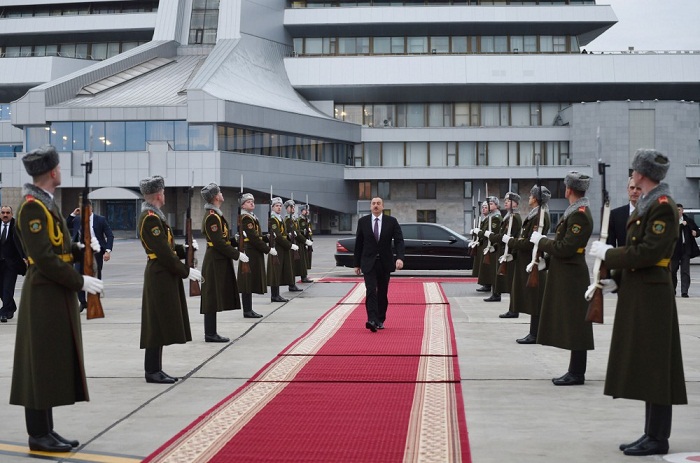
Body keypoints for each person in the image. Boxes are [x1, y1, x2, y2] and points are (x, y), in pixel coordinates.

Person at [589, 149, 687, 456]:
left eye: (633, 172)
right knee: (648, 364)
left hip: (653, 294)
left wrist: (608, 254)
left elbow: (646, 252)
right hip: (640, 290)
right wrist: (616, 279)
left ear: (642, 174)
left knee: (657, 366)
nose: (631, 176)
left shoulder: (662, 206)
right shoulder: (646, 204)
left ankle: (658, 437)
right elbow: (637, 252)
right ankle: (650, 433)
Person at [10, 145, 103, 452]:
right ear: (51, 172)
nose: (61, 172)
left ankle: (46, 430)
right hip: (43, 292)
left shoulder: (45, 204)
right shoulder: (33, 207)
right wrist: (80, 280)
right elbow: (44, 258)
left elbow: (59, 247)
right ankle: (38, 434)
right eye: (59, 168)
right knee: (39, 363)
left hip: (53, 291)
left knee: (47, 362)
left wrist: (83, 250)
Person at [531, 172, 593, 386]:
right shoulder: (574, 212)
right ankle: (574, 370)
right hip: (567, 273)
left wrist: (542, 241)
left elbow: (566, 247)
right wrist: (545, 261)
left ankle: (577, 372)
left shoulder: (580, 215)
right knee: (574, 324)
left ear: (569, 189)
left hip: (573, 276)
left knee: (577, 325)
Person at [138, 175, 201, 384]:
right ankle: (151, 370)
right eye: (163, 192)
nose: (164, 195)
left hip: (162, 272)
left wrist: (186, 250)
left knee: (160, 321)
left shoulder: (155, 216)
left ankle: (156, 368)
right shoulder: (150, 218)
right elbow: (163, 253)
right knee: (155, 323)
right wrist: (185, 271)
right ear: (157, 194)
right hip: (159, 273)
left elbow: (169, 248)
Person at [502, 186, 551, 344]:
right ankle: (534, 332)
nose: (528, 197)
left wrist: (510, 242)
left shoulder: (540, 216)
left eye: (531, 195)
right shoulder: (536, 214)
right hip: (527, 259)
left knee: (535, 299)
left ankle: (535, 333)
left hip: (533, 260)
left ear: (536, 198)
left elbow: (530, 242)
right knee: (532, 298)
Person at [200, 183, 247, 343]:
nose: (221, 194)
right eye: (219, 192)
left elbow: (223, 238)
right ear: (215, 197)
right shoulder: (212, 216)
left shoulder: (217, 215)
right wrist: (237, 254)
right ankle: (210, 333)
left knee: (214, 295)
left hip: (219, 259)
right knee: (211, 296)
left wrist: (236, 241)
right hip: (214, 260)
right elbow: (218, 242)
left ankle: (212, 332)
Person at [353, 197, 405, 332]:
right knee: (370, 291)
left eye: (378, 204)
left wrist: (399, 258)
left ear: (383, 206)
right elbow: (359, 243)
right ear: (370, 206)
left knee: (382, 292)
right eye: (373, 203)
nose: (376, 206)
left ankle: (380, 319)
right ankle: (371, 319)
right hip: (368, 262)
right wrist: (356, 264)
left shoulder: (391, 222)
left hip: (384, 262)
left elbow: (399, 240)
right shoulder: (363, 222)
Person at [67, 200, 114, 311]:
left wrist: (107, 251)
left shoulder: (100, 220)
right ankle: (83, 302)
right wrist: (73, 214)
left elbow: (110, 235)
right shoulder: (77, 219)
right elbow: (66, 225)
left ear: (91, 208)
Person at [239, 193, 273, 318]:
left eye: (252, 201)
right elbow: (252, 237)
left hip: (254, 250)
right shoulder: (246, 218)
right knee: (247, 281)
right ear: (243, 205)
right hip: (250, 251)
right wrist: (267, 249)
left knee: (251, 280)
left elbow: (256, 235)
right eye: (248, 201)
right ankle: (247, 310)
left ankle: (249, 309)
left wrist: (265, 237)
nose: (252, 203)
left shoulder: (252, 217)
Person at [490, 192, 522, 310]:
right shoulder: (508, 216)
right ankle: (510, 307)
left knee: (510, 283)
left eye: (508, 201)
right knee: (505, 281)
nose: (506, 202)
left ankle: (513, 309)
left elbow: (510, 236)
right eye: (505, 200)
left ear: (515, 204)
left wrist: (491, 236)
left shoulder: (515, 218)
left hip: (509, 252)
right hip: (504, 250)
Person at [0, 206, 27, 323]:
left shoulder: (18, 227)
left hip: (12, 264)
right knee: (1, 289)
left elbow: (24, 243)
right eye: (3, 212)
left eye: (8, 213)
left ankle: (4, 313)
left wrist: (26, 257)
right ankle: (11, 306)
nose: (5, 215)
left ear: (11, 214)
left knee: (7, 288)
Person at [267, 197, 294, 303]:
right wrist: (289, 245)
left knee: (279, 271)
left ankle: (277, 294)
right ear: (272, 207)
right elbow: (277, 236)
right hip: (277, 247)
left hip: (282, 247)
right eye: (276, 206)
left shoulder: (279, 218)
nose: (279, 207)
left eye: (280, 206)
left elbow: (284, 233)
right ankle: (274, 295)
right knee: (275, 271)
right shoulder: (273, 219)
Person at [671, 203, 700, 297]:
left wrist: (696, 233)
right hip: (674, 250)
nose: (677, 212)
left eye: (679, 210)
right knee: (672, 271)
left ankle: (684, 291)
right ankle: (672, 290)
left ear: (682, 211)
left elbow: (697, 231)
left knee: (685, 271)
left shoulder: (688, 221)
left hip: (685, 249)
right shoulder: (671, 222)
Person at [474, 196, 502, 293]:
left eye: (491, 204)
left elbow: (491, 232)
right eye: (488, 204)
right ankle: (487, 284)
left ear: (496, 205)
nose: (488, 206)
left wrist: (480, 233)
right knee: (486, 267)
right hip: (486, 243)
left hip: (492, 244)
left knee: (490, 267)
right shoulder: (490, 216)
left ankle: (490, 285)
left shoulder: (496, 218)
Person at [606, 177, 642, 247]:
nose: (634, 191)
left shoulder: (651, 213)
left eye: (638, 188)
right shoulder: (615, 215)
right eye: (632, 188)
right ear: (628, 190)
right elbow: (610, 245)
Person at [284, 200, 305, 291]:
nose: (292, 209)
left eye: (293, 207)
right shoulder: (288, 219)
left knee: (294, 264)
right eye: (290, 207)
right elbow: (292, 232)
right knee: (291, 265)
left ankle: (293, 283)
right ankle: (291, 284)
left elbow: (297, 231)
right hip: (291, 243)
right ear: (287, 209)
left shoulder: (293, 219)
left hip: (296, 242)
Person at [298, 204, 314, 275]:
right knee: (304, 259)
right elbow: (301, 230)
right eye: (305, 210)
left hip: (309, 239)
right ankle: (303, 275)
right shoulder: (301, 220)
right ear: (302, 211)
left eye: (308, 210)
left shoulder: (307, 220)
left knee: (308, 258)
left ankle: (305, 274)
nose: (307, 211)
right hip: (303, 240)